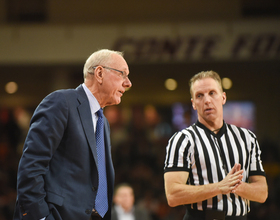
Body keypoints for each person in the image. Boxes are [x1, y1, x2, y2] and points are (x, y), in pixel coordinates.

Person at [13, 49, 132, 220]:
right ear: (99, 73)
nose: (128, 83)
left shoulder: (103, 122)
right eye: (123, 74)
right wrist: (41, 217)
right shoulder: (61, 102)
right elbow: (31, 165)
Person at [164, 71, 268, 220]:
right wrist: (219, 187)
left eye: (212, 93)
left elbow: (262, 193)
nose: (207, 100)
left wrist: (236, 185)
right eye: (200, 95)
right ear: (193, 103)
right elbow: (173, 195)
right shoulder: (182, 140)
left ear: (223, 97)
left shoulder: (247, 138)